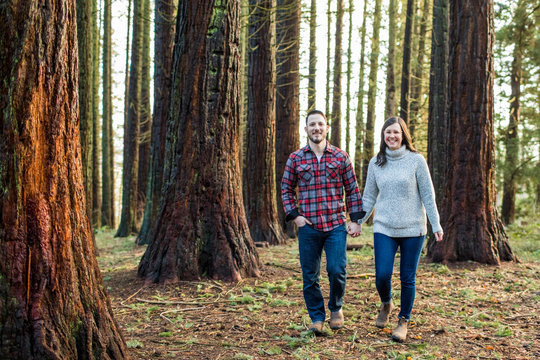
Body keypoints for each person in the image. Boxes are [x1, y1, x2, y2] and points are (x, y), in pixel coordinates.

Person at [357, 116, 444, 342]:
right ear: (383, 136)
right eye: (388, 133)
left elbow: (428, 194)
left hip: (413, 229)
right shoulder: (376, 163)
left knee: (408, 277)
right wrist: (358, 221)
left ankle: (403, 320)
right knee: (382, 275)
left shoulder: (416, 160)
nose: (392, 136)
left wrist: (435, 223)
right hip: (384, 227)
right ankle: (386, 303)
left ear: (403, 134)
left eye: (396, 132)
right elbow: (368, 197)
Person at [281, 110, 364, 335]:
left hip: (335, 225)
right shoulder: (295, 158)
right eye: (312, 125)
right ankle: (316, 317)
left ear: (327, 128)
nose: (316, 128)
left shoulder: (340, 156)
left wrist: (355, 220)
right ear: (306, 129)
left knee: (336, 269)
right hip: (308, 227)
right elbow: (286, 189)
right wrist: (295, 216)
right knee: (310, 275)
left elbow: (353, 190)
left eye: (320, 124)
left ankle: (336, 308)